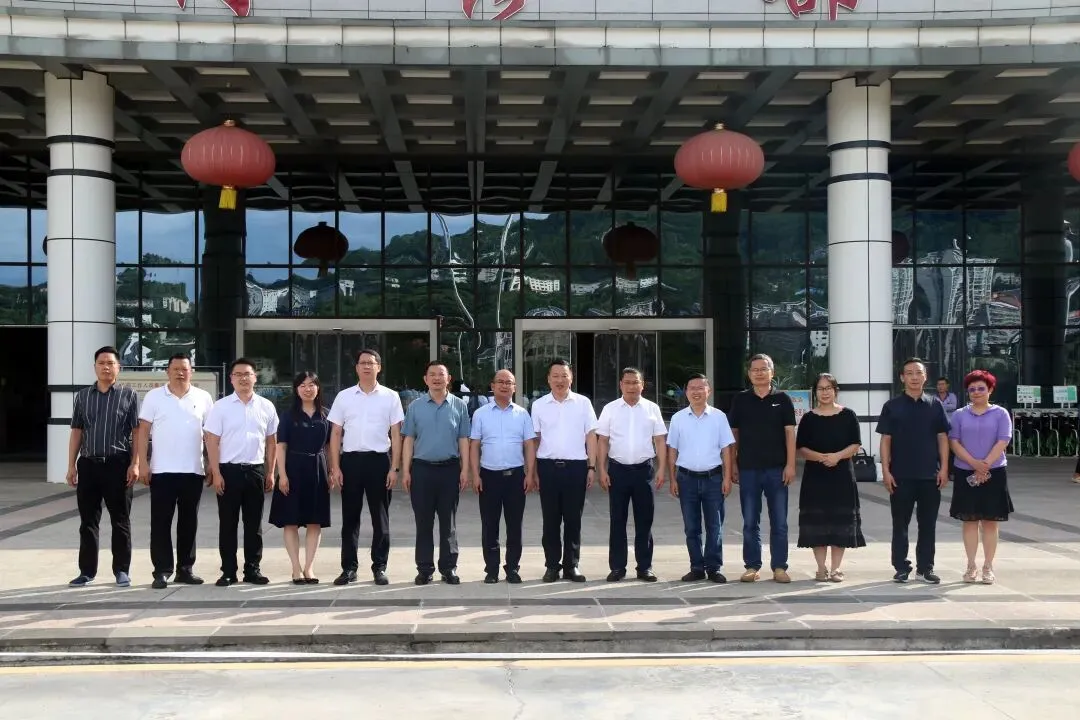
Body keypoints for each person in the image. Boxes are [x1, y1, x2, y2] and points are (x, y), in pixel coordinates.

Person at [136, 353, 215, 589]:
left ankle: (185, 569)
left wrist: (212, 463)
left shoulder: (203, 397)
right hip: (162, 471)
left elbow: (210, 434)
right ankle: (162, 571)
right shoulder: (154, 397)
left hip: (193, 470)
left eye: (185, 369)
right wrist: (142, 463)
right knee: (161, 523)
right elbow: (143, 431)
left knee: (189, 523)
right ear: (167, 371)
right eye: (176, 369)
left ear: (192, 371)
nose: (180, 373)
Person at [327, 349, 404, 586]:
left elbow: (396, 434)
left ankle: (379, 567)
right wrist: (335, 467)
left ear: (379, 367)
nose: (367, 366)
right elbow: (335, 433)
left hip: (379, 462)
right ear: (356, 368)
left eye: (371, 363)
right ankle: (349, 568)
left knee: (380, 519)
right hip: (350, 462)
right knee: (350, 518)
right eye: (362, 363)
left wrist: (395, 468)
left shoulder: (390, 396)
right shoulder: (344, 397)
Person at [67, 346, 140, 588]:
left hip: (118, 464)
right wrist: (71, 465)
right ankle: (86, 571)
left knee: (120, 520)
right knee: (88, 521)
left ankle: (122, 570)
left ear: (119, 367)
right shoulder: (82, 397)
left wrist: (136, 463)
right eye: (101, 363)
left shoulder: (129, 395)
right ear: (95, 367)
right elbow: (77, 431)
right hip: (88, 464)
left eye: (110, 363)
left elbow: (137, 432)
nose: (106, 367)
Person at [204, 358, 279, 587]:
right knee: (228, 524)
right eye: (238, 374)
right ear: (231, 379)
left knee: (253, 525)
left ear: (255, 377)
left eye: (247, 374)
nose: (243, 378)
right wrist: (216, 472)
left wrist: (271, 472)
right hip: (229, 471)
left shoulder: (266, 406)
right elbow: (212, 441)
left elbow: (272, 442)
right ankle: (228, 571)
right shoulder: (221, 407)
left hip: (255, 470)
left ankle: (252, 570)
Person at [877, 357, 950, 584]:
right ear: (902, 378)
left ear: (925, 377)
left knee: (928, 525)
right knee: (900, 524)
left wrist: (944, 468)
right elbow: (885, 440)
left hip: (930, 475)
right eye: (909, 373)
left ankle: (925, 568)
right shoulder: (892, 406)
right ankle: (901, 567)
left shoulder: (935, 405)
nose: (914, 377)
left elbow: (942, 437)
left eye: (918, 373)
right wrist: (885, 470)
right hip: (900, 476)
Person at [727, 353, 796, 584]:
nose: (759, 373)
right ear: (749, 374)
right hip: (748, 469)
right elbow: (734, 434)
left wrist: (790, 464)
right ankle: (752, 566)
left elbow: (790, 433)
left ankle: (779, 566)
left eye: (763, 369)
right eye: (755, 369)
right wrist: (733, 464)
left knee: (780, 521)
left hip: (777, 469)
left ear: (772, 372)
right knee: (749, 521)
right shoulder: (741, 400)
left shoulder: (783, 399)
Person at [401, 361, 470, 585]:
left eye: (441, 374)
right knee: (423, 522)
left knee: (448, 522)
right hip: (422, 470)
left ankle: (449, 568)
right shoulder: (415, 407)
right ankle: (424, 569)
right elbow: (408, 439)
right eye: (432, 374)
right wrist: (405, 471)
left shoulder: (459, 405)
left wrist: (465, 469)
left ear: (448, 379)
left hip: (450, 469)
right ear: (425, 379)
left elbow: (463, 439)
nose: (437, 378)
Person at [596, 367, 667, 582]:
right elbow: (603, 440)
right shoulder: (610, 409)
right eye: (627, 382)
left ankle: (644, 567)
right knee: (617, 520)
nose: (631, 386)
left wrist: (662, 468)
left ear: (642, 385)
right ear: (621, 385)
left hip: (644, 471)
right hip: (617, 470)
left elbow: (660, 440)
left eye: (635, 382)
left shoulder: (652, 408)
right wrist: (601, 469)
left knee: (644, 520)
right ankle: (618, 567)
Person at [531, 359, 597, 583]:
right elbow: (535, 439)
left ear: (571, 378)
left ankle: (572, 565)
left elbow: (591, 436)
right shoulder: (539, 405)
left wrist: (591, 466)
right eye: (555, 376)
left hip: (576, 468)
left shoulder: (583, 403)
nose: (560, 380)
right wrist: (532, 471)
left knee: (573, 519)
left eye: (564, 376)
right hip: (548, 467)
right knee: (550, 520)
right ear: (548, 379)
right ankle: (552, 565)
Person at [795, 373, 866, 582]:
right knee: (816, 521)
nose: (824, 392)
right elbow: (801, 448)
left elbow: (855, 444)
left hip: (842, 476)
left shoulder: (848, 415)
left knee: (839, 520)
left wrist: (837, 456)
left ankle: (836, 568)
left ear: (835, 390)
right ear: (815, 392)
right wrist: (822, 457)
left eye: (828, 388)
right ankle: (820, 568)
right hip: (815, 477)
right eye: (820, 388)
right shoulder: (808, 418)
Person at [469, 369, 536, 584]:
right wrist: (475, 474)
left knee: (514, 526)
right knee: (490, 525)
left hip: (515, 477)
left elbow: (529, 445)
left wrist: (530, 473)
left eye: (509, 382)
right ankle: (491, 569)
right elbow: (474, 445)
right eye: (500, 382)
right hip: (489, 477)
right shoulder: (481, 414)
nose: (505, 386)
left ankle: (513, 568)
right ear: (493, 385)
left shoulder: (522, 414)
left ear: (514, 387)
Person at [667, 373, 735, 583]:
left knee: (715, 526)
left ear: (708, 391)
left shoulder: (719, 417)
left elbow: (726, 449)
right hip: (686, 479)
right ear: (686, 392)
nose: (696, 392)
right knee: (691, 526)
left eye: (700, 388)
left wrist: (727, 478)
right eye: (692, 388)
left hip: (713, 478)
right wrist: (672, 479)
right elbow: (672, 450)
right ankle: (696, 567)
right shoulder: (678, 418)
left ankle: (714, 567)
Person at [948, 370, 1014, 585]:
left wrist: (985, 465)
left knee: (990, 522)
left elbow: (1003, 439)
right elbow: (954, 441)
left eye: (981, 388)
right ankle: (970, 565)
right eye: (972, 389)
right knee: (969, 520)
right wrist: (974, 464)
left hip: (994, 471)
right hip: (965, 471)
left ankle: (988, 566)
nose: (976, 392)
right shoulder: (959, 414)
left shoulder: (1000, 413)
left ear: (990, 390)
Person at [269, 371, 331, 585]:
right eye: (303, 385)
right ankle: (296, 568)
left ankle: (309, 567)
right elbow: (281, 446)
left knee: (315, 521)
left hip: (318, 469)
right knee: (291, 521)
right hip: (293, 469)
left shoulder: (326, 415)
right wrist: (282, 475)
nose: (307, 389)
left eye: (312, 384)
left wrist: (332, 470)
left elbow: (330, 446)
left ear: (318, 388)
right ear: (296, 389)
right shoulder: (288, 416)